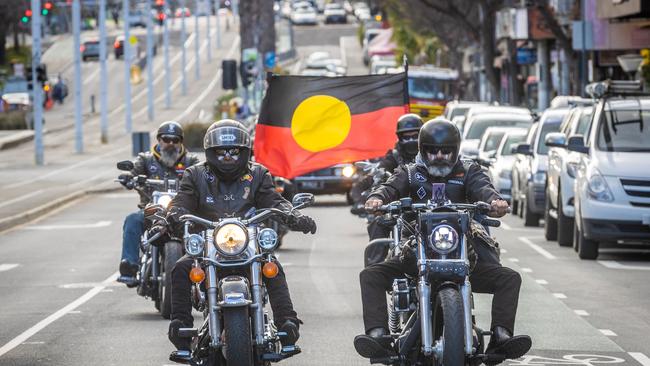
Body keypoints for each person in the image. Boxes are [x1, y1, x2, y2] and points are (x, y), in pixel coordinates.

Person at [354, 118, 531, 361]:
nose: (439, 156)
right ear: (422, 150)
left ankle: (500, 337)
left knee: (509, 278)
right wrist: (377, 198)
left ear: (455, 151)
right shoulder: (409, 172)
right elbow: (389, 187)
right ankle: (378, 336)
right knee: (371, 275)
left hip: (462, 250)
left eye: (446, 151)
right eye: (432, 150)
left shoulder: (469, 171)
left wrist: (495, 202)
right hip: (417, 249)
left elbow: (484, 188)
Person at [164, 119, 317, 361]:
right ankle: (181, 331)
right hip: (209, 245)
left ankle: (287, 325)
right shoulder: (195, 175)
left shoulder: (257, 174)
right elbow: (182, 201)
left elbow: (275, 203)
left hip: (248, 245)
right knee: (182, 267)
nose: (227, 157)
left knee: (272, 267)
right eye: (221, 151)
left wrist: (296, 217)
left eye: (234, 151)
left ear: (244, 151)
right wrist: (172, 214)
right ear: (210, 152)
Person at [117, 121, 200, 286]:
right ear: (159, 140)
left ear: (181, 142)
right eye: (166, 139)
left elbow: (202, 174)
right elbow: (134, 172)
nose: (170, 143)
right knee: (133, 219)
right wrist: (129, 178)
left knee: (205, 226)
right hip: (151, 210)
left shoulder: (191, 160)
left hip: (182, 212)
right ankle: (130, 266)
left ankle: (204, 267)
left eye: (175, 140)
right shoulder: (146, 159)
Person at [350, 113, 424, 241]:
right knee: (378, 224)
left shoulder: (432, 156)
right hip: (399, 208)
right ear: (399, 138)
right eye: (407, 137)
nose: (411, 141)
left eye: (415, 136)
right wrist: (367, 201)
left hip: (428, 207)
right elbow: (372, 180)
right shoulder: (394, 158)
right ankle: (376, 261)